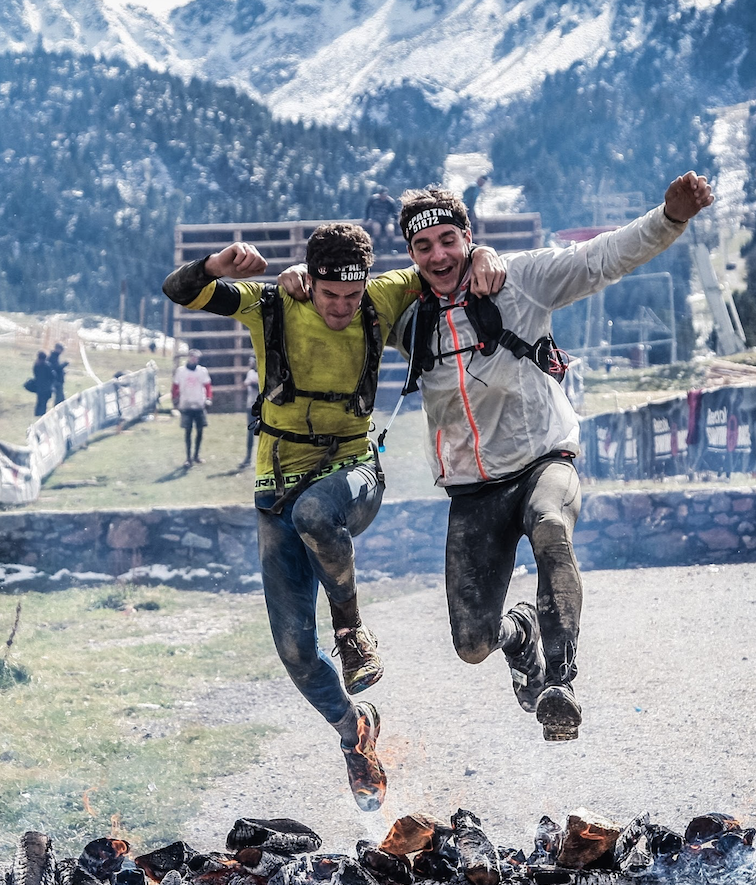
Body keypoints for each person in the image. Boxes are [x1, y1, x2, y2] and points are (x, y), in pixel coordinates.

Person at [284, 174, 713, 742]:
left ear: (468, 236)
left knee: (551, 527)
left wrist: (670, 218)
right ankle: (522, 635)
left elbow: (599, 259)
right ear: (411, 255)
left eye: (448, 240)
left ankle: (560, 681)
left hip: (542, 459)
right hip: (472, 490)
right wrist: (298, 280)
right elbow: (341, 302)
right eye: (422, 246)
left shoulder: (522, 278)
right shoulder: (407, 313)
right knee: (471, 644)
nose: (438, 255)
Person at [163, 223, 504, 811]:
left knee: (318, 513)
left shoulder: (382, 294)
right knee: (293, 649)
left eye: (353, 296)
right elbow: (181, 291)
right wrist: (217, 264)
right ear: (308, 281)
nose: (344, 308)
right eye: (330, 296)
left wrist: (488, 252)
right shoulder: (272, 302)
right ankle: (354, 732)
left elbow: (450, 262)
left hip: (352, 476)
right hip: (276, 489)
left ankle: (352, 633)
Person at [171, 349, 212, 467]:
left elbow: (208, 386)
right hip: (186, 404)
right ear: (189, 357)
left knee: (200, 431)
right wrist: (175, 400)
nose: (194, 359)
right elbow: (175, 386)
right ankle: (188, 457)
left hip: (199, 404)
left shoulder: (202, 371)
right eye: (192, 357)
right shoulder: (181, 371)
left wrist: (208, 398)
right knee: (188, 431)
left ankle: (196, 455)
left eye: (196, 358)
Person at [239, 355, 259, 470]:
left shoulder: (262, 373)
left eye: (252, 361)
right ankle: (248, 458)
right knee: (250, 433)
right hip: (251, 406)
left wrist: (253, 384)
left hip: (261, 407)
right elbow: (244, 384)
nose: (250, 363)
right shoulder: (250, 373)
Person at [364, 188, 399, 252]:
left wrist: (396, 220)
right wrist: (367, 218)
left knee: (390, 230)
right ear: (379, 195)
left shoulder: (390, 202)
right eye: (382, 195)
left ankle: (391, 249)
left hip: (387, 220)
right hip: (376, 220)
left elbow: (395, 213)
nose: (384, 197)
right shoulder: (373, 200)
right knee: (376, 229)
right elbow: (367, 208)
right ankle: (378, 249)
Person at [30, 350, 54, 416]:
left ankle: (37, 414)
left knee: (39, 401)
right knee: (44, 403)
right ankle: (42, 414)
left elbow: (35, 374)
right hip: (46, 387)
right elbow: (52, 376)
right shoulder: (47, 366)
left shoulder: (36, 365)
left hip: (39, 386)